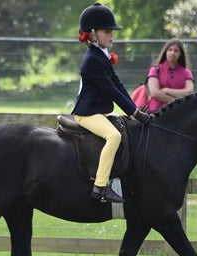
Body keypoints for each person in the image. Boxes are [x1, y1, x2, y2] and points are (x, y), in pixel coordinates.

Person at [71, 3, 150, 203]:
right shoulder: (92, 60)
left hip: (99, 111)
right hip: (87, 114)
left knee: (125, 129)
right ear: (93, 34)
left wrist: (135, 110)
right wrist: (134, 112)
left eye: (111, 31)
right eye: (107, 31)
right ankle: (100, 187)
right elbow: (111, 91)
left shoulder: (101, 56)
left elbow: (118, 84)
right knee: (113, 136)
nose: (111, 35)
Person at [147, 38, 194, 113]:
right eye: (170, 50)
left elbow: (189, 92)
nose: (172, 53)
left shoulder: (187, 72)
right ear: (165, 51)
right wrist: (175, 101)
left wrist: (166, 90)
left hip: (180, 112)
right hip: (157, 113)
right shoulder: (155, 70)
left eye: (176, 51)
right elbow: (155, 93)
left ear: (180, 53)